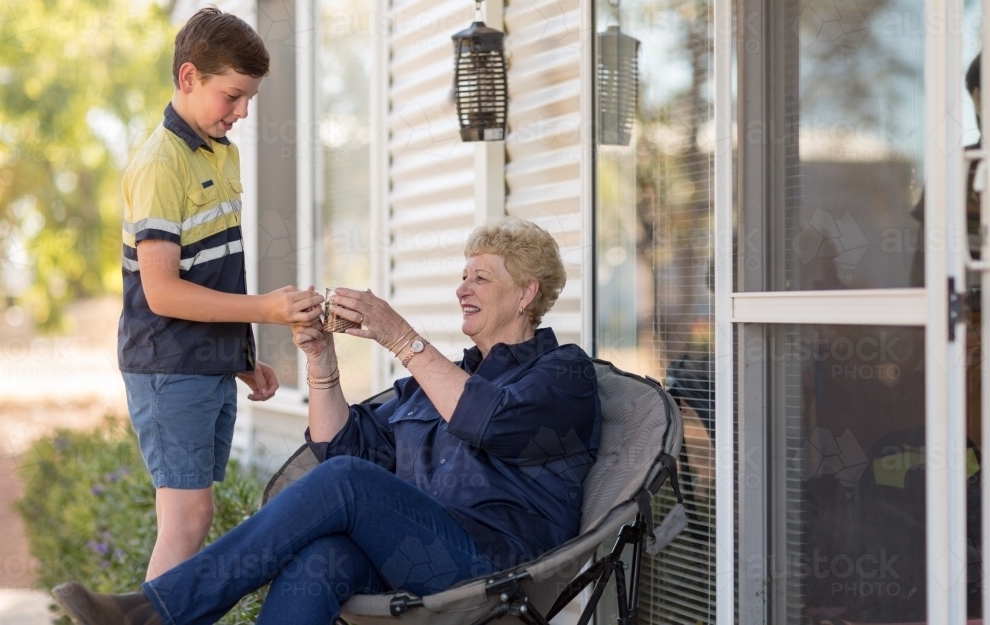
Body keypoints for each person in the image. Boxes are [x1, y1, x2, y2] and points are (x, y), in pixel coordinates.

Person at [54, 216, 602, 625]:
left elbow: (486, 421)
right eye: (462, 276)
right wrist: (320, 358)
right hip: (416, 556)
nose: (462, 288)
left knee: (349, 487)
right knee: (324, 557)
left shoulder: (562, 374)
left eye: (480, 278)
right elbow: (342, 449)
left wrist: (399, 338)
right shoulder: (438, 383)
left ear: (527, 293)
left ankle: (156, 613)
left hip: (492, 571)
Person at [118, 7, 325, 581]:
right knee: (185, 520)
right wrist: (268, 310)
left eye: (249, 98)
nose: (243, 112)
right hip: (168, 365)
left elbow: (214, 274)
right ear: (189, 78)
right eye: (232, 96)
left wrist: (244, 358)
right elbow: (162, 293)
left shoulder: (219, 153)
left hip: (206, 362)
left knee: (194, 515)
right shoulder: (161, 163)